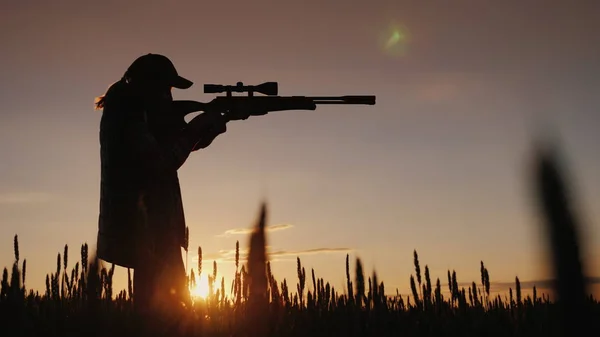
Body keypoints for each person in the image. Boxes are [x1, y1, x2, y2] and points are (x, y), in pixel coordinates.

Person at [94, 53, 227, 319]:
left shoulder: (134, 111)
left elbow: (175, 146)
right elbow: (162, 162)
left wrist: (208, 129)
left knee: (168, 312)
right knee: (161, 315)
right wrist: (198, 126)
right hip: (146, 231)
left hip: (155, 228)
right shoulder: (128, 113)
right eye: (166, 89)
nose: (169, 97)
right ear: (148, 86)